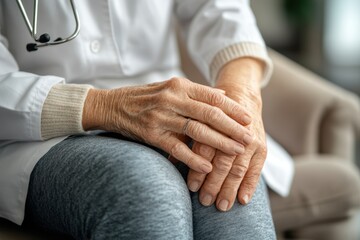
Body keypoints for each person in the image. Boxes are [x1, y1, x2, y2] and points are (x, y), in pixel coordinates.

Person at [0, 1, 281, 239]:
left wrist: (242, 99)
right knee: (144, 185)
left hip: (168, 101)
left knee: (224, 161)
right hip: (35, 131)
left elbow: (221, 9)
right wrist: (107, 106)